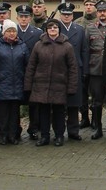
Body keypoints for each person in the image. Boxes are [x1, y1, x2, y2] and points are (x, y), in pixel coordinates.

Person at [24, 19, 78, 147]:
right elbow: (31, 65)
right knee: (43, 112)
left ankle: (59, 136)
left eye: (55, 27)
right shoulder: (39, 45)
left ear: (59, 30)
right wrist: (28, 85)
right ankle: (44, 136)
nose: (52, 30)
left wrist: (72, 87)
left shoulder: (67, 46)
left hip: (59, 85)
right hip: (41, 85)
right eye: (50, 27)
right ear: (46, 30)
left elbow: (73, 68)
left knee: (59, 113)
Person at [0, 19, 30, 145]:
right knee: (3, 114)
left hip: (17, 84)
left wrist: (26, 83)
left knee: (14, 114)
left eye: (13, 31)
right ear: (4, 32)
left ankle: (13, 135)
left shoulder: (22, 46)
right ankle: (4, 135)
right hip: (2, 85)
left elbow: (27, 65)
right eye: (9, 31)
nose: (11, 33)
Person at [84, 0, 106, 140]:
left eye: (104, 11)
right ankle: (97, 128)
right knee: (97, 101)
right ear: (96, 13)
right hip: (95, 69)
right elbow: (85, 49)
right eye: (100, 11)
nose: (102, 14)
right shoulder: (90, 28)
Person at [57, 2, 89, 141]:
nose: (66, 16)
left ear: (72, 15)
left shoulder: (80, 29)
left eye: (69, 14)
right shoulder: (55, 28)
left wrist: (85, 70)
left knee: (74, 103)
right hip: (59, 71)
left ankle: (73, 131)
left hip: (76, 69)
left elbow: (84, 50)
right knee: (59, 104)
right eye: (64, 14)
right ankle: (59, 132)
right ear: (60, 15)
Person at [14, 4, 43, 141]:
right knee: (15, 103)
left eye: (26, 16)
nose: (24, 19)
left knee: (34, 103)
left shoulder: (37, 33)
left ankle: (33, 129)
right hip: (15, 73)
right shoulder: (11, 31)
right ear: (17, 17)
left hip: (32, 73)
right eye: (21, 16)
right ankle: (15, 129)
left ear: (30, 18)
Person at [74, 0, 100, 129]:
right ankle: (84, 118)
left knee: (95, 92)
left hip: (95, 62)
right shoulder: (78, 23)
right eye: (87, 5)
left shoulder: (98, 22)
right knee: (82, 92)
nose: (89, 7)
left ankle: (96, 119)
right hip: (81, 62)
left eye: (91, 5)